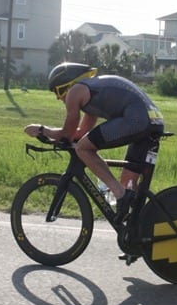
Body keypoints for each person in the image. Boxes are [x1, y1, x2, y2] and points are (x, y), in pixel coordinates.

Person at [24, 62, 165, 225]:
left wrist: (42, 130)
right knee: (129, 186)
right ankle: (135, 236)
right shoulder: (91, 94)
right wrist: (61, 137)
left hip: (137, 120)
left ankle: (119, 194)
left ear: (66, 84)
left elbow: (67, 134)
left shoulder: (75, 92)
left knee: (83, 149)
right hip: (153, 122)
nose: (57, 97)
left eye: (57, 91)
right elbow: (80, 133)